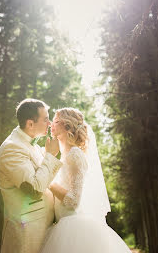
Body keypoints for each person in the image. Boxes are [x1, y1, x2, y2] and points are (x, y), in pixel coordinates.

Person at [40, 107, 131, 253]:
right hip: (61, 222)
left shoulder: (75, 154)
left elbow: (73, 201)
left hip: (72, 227)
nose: (51, 124)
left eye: (56, 121)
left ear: (67, 126)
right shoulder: (64, 155)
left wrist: (48, 182)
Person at [0, 98, 63, 253]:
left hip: (45, 227)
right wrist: (51, 156)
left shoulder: (32, 145)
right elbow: (34, 189)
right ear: (30, 124)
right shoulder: (11, 148)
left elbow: (45, 178)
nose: (50, 124)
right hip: (26, 232)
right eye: (46, 119)